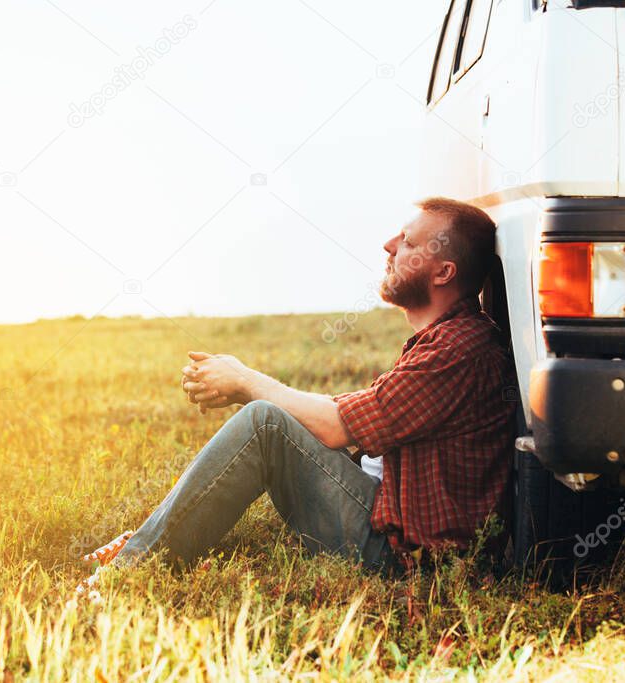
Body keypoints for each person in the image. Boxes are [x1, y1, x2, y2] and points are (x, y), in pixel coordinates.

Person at [79, 197, 516, 592]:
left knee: (265, 425)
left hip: (412, 562)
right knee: (281, 420)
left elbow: (336, 426)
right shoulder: (450, 339)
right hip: (399, 524)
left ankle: (128, 574)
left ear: (443, 272)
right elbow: (357, 414)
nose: (388, 245)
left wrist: (245, 381)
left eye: (407, 242)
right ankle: (151, 538)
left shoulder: (458, 349)